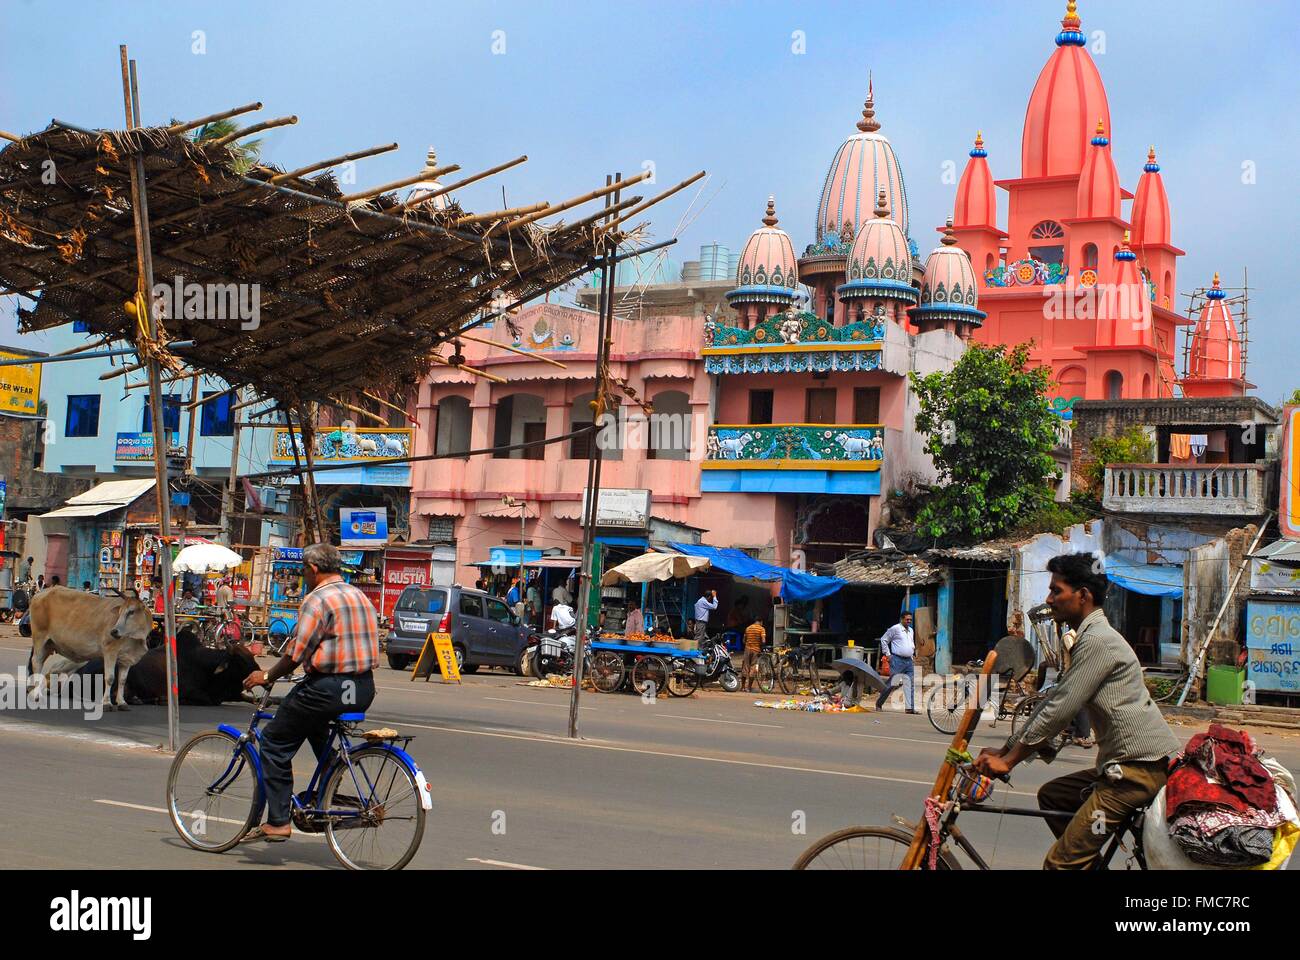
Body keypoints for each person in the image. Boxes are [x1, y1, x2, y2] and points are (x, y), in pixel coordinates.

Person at [973, 552, 1180, 870]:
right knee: (1055, 797)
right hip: (1127, 766)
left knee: (1060, 865)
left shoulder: (1098, 641)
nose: (1049, 598)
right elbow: (1054, 702)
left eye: (1056, 590)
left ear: (1082, 596)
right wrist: (1006, 748)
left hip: (1133, 776)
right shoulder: (1088, 638)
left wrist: (1009, 760)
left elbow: (1060, 708)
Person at [242, 543, 379, 843]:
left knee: (275, 742)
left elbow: (296, 653)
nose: (303, 575)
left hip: (328, 688)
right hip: (362, 688)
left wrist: (266, 675)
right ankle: (328, 785)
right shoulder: (360, 596)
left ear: (313, 570)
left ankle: (278, 822)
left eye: (304, 569)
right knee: (315, 726)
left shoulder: (317, 600)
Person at [875, 612, 916, 713]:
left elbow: (910, 643)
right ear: (902, 619)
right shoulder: (895, 628)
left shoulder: (911, 630)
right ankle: (879, 703)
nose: (909, 621)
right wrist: (888, 655)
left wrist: (912, 655)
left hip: (909, 661)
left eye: (910, 620)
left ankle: (909, 708)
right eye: (907, 619)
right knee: (892, 684)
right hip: (897, 660)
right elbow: (884, 640)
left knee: (910, 684)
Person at [741, 615, 766, 692]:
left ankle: (742, 687)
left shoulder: (748, 628)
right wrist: (762, 647)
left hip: (747, 649)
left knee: (745, 667)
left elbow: (743, 640)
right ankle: (749, 687)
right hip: (756, 650)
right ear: (761, 621)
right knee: (753, 667)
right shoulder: (761, 629)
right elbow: (763, 641)